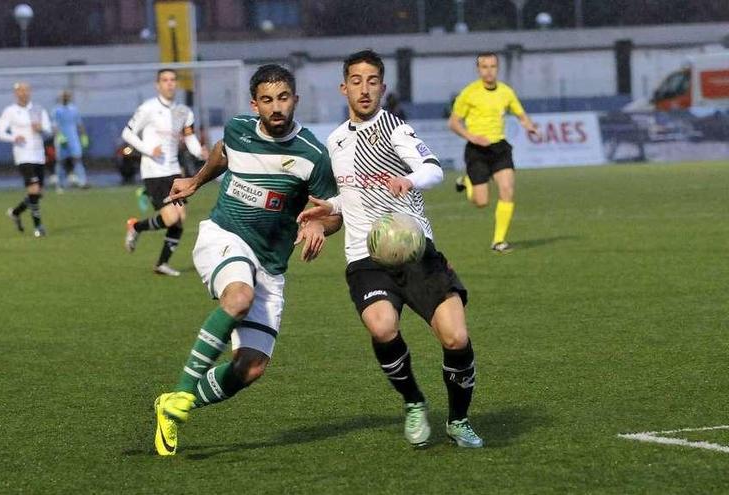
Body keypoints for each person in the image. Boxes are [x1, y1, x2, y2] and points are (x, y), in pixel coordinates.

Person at [151, 64, 340, 456]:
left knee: (250, 368)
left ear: (295, 100)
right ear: (254, 104)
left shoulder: (313, 155)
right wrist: (196, 181)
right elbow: (222, 153)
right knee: (238, 297)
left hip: (272, 262)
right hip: (224, 235)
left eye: (283, 98)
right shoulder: (238, 128)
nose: (276, 107)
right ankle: (184, 393)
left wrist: (321, 226)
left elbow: (333, 211)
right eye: (267, 100)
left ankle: (170, 404)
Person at [298, 50, 483, 449]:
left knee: (455, 337)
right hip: (367, 258)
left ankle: (459, 420)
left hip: (415, 251)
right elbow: (347, 197)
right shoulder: (335, 142)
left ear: (382, 87)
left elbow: (433, 168)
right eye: (356, 81)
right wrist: (325, 210)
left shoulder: (395, 129)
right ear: (344, 87)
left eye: (372, 81)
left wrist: (409, 180)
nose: (364, 89)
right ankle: (414, 401)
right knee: (382, 326)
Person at [448, 52, 539, 253]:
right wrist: (471, 137)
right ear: (478, 70)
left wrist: (530, 126)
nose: (489, 71)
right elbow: (453, 123)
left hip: (499, 148)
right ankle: (467, 182)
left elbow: (520, 114)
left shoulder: (506, 92)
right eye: (484, 67)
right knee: (481, 202)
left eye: (492, 66)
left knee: (507, 189)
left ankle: (498, 241)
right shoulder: (469, 93)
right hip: (477, 150)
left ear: (497, 68)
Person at [121, 69, 207, 276]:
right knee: (170, 219)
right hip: (153, 171)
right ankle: (136, 227)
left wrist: (199, 151)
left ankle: (161, 264)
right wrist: (149, 150)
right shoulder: (148, 108)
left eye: (172, 80)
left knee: (180, 217)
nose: (169, 84)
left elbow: (189, 136)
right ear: (157, 85)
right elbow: (127, 133)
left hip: (173, 171)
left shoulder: (184, 111)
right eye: (164, 80)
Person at [0, 82, 52, 238]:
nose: (23, 93)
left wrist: (41, 129)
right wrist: (14, 137)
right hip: (23, 155)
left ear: (30, 92)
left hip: (38, 155)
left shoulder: (39, 109)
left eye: (26, 90)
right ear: (15, 93)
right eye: (20, 91)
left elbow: (49, 131)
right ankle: (38, 227)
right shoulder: (10, 111)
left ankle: (15, 212)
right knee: (33, 189)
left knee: (38, 193)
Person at [51, 90, 90, 189]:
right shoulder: (56, 110)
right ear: (60, 98)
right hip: (62, 138)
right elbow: (54, 126)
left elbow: (79, 124)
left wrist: (84, 136)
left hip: (73, 138)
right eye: (63, 96)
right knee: (61, 161)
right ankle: (60, 183)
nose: (65, 98)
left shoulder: (74, 109)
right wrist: (59, 136)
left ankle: (82, 182)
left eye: (67, 96)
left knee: (77, 159)